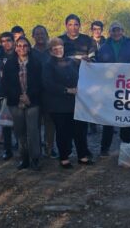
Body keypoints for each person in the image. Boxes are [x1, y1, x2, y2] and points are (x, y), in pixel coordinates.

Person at [42, 37, 93, 168]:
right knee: (63, 133)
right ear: (50, 51)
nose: (58, 51)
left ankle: (82, 156)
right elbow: (48, 84)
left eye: (60, 48)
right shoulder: (48, 65)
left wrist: (86, 61)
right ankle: (64, 158)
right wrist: (66, 90)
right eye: (55, 49)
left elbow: (83, 69)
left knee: (80, 131)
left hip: (76, 104)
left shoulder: (71, 62)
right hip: (58, 106)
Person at [96, 21, 130, 156]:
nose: (116, 33)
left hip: (126, 86)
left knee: (125, 117)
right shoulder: (104, 47)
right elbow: (99, 65)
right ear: (110, 32)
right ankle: (104, 148)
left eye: (119, 30)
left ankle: (127, 145)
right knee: (108, 119)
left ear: (123, 31)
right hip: (109, 87)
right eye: (113, 31)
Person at [2, 37, 44, 171]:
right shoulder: (9, 63)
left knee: (33, 131)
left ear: (29, 47)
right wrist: (20, 97)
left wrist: (28, 96)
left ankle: (35, 158)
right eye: (19, 46)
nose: (22, 48)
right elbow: (6, 84)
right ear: (15, 48)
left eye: (25, 46)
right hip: (15, 102)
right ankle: (24, 158)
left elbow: (40, 83)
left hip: (33, 101)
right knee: (20, 132)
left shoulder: (36, 63)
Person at [31, 24, 57, 158]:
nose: (40, 36)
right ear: (33, 36)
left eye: (42, 33)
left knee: (50, 122)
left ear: (47, 35)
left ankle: (49, 147)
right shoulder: (29, 52)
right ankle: (36, 149)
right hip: (34, 93)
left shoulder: (52, 51)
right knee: (34, 122)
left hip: (50, 93)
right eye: (37, 34)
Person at [0, 32, 16, 160]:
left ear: (13, 41)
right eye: (3, 41)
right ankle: (7, 150)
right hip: (5, 94)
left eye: (8, 40)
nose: (6, 43)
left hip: (19, 93)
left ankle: (22, 147)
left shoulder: (19, 53)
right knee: (6, 124)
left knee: (20, 123)